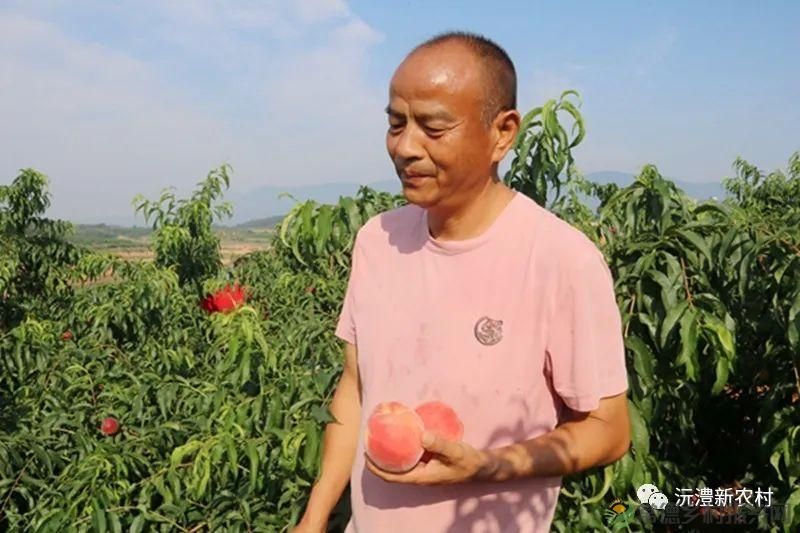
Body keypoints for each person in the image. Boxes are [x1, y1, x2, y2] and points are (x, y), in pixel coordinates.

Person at [294, 31, 631, 533]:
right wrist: (315, 516)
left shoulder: (561, 260)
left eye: (433, 127)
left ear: (503, 133)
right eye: (395, 123)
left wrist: (486, 466)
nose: (405, 147)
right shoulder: (377, 241)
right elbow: (355, 387)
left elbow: (609, 429)